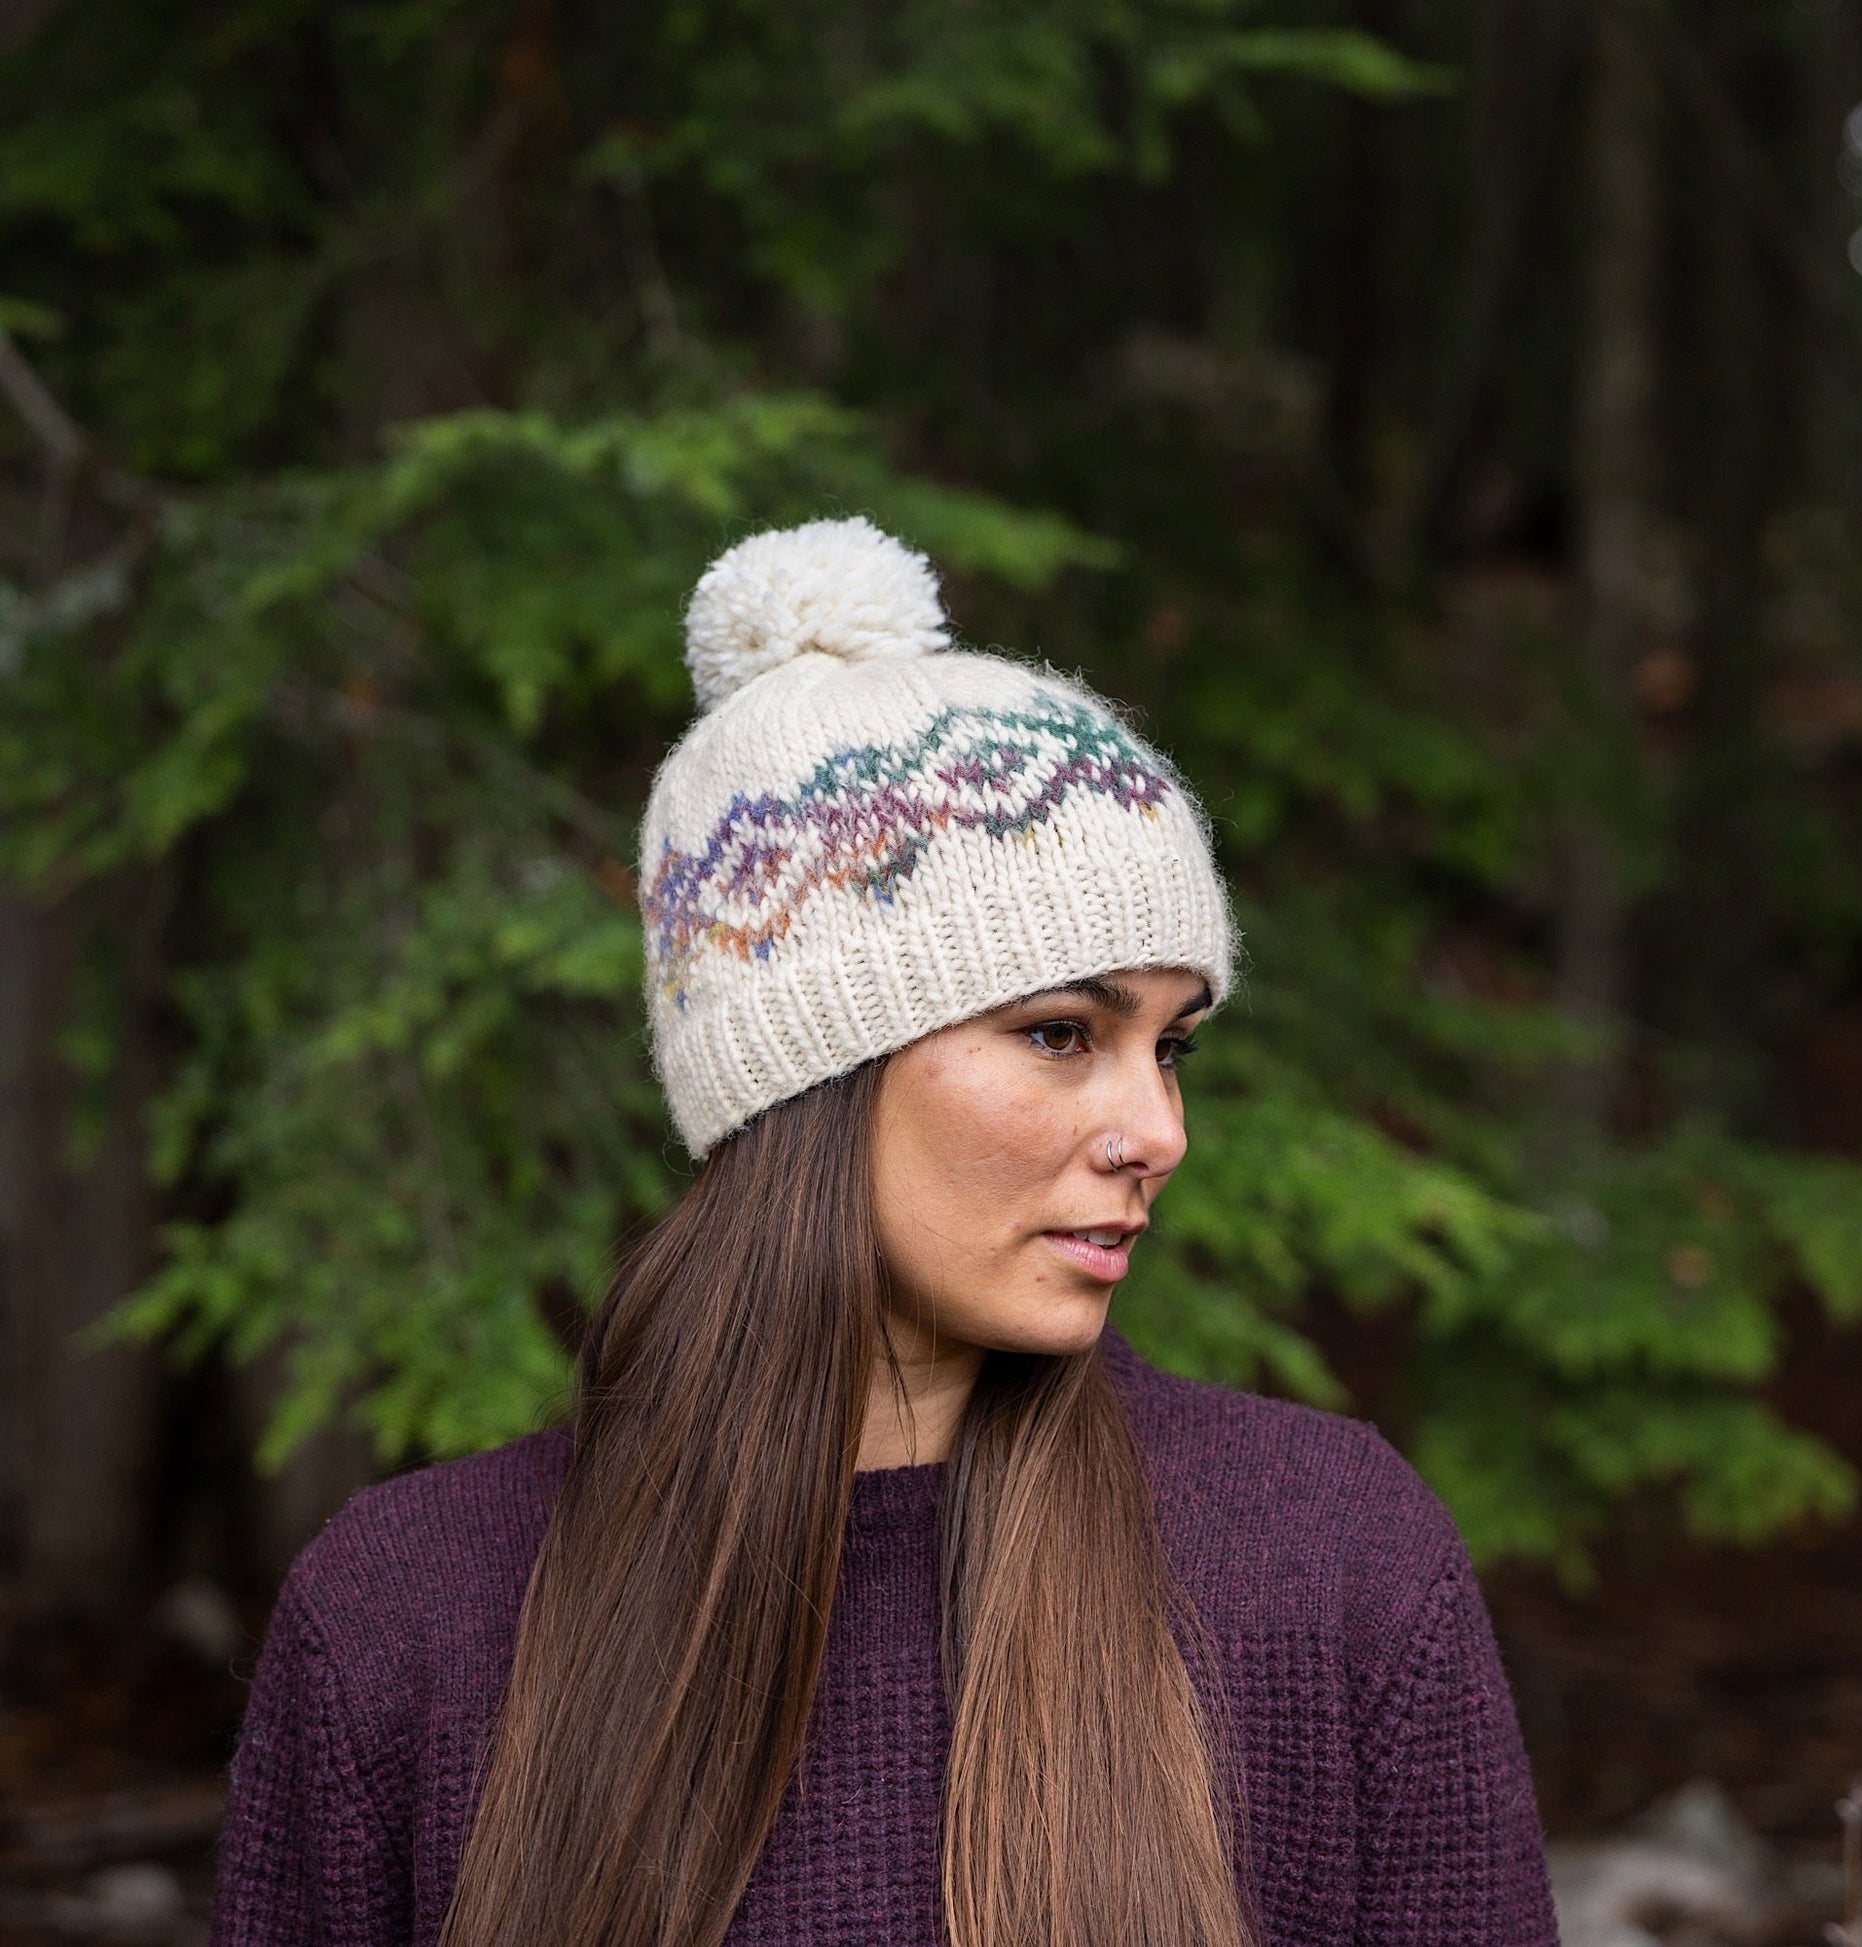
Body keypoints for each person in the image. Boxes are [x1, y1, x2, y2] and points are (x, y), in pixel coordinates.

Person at [210, 517, 1558, 1947]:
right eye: (1059, 1033)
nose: (1157, 1132)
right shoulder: (410, 1617)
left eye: (1172, 1047)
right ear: (808, 1069)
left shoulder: (1324, 1558)